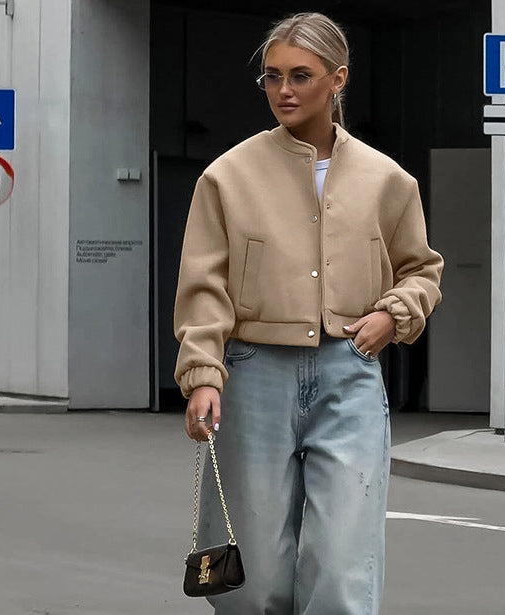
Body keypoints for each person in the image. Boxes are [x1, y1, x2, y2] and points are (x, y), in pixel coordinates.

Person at [174, 12, 443, 614]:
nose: (284, 91)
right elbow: (203, 285)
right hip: (252, 374)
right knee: (256, 574)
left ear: (338, 79)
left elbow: (422, 268)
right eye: (272, 78)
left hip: (349, 372)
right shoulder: (227, 176)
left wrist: (392, 315)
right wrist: (202, 375)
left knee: (344, 565)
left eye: (301, 75)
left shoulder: (386, 180)